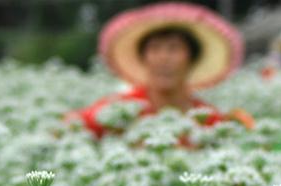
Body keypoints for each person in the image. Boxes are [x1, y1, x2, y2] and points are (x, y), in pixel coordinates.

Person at [66, 2, 255, 140]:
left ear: (191, 59)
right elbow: (71, 125)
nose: (164, 58)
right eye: (154, 49)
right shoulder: (120, 110)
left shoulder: (207, 118)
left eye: (174, 48)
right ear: (144, 58)